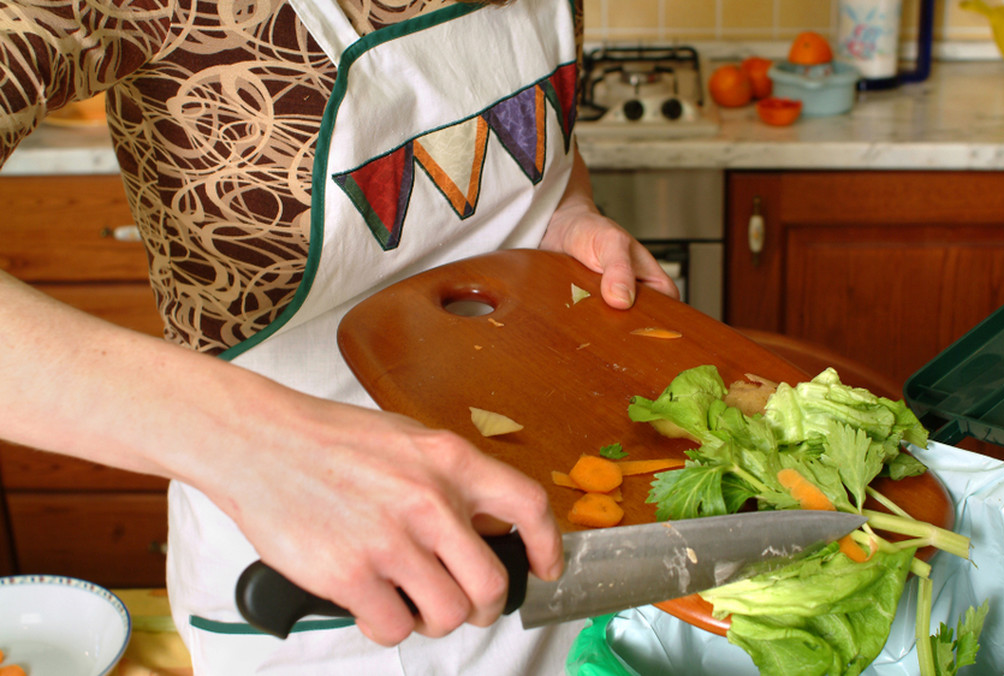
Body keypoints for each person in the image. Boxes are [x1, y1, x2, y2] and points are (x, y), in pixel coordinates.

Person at [0, 0, 678, 673]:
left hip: (577, 508)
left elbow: (536, 137)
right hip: (323, 589)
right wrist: (258, 447)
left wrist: (567, 209)